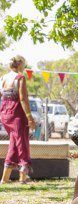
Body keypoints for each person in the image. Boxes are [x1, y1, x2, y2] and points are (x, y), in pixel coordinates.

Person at [0, 55, 36, 183]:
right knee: (23, 143)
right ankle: (23, 175)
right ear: (20, 64)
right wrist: (30, 117)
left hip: (5, 115)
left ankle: (5, 178)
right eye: (24, 64)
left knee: (14, 143)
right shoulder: (20, 77)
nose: (25, 67)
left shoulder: (3, 78)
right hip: (17, 115)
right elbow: (22, 99)